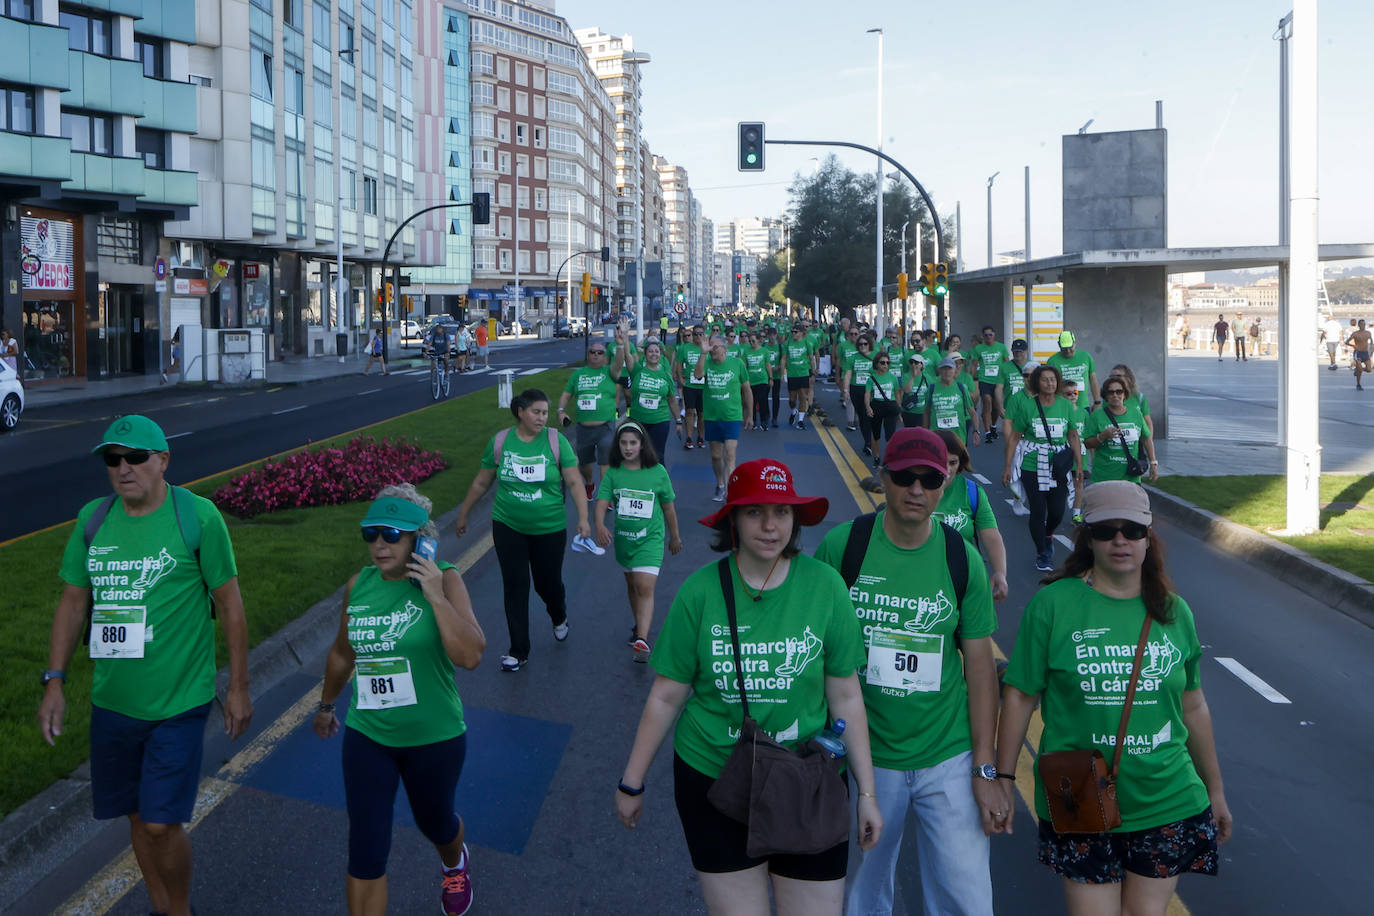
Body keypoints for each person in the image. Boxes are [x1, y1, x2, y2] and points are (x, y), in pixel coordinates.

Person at [615, 458, 883, 916]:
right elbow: (666, 694)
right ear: (733, 519)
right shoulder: (700, 592)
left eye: (781, 512)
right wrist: (632, 782)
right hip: (716, 778)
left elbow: (846, 696)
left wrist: (866, 794)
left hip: (807, 782)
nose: (769, 525)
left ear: (795, 519)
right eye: (754, 511)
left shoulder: (826, 587)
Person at [39, 415, 252, 916]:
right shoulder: (93, 519)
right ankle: (162, 907)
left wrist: (238, 686)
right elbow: (73, 604)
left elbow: (231, 606)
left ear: (163, 462)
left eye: (136, 458)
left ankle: (178, 908)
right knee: (136, 817)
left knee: (160, 822)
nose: (124, 469)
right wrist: (54, 681)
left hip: (179, 701)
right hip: (114, 703)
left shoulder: (197, 517)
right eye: (113, 459)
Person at [995, 482, 1233, 916]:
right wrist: (1004, 779)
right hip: (1079, 796)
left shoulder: (1174, 612)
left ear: (1148, 536)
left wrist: (1215, 790)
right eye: (1105, 530)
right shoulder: (1053, 605)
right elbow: (1019, 697)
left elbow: (1194, 706)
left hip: (1167, 796)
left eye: (1131, 530)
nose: (1119, 540)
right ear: (1087, 536)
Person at [813, 429, 1001, 916]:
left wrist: (985, 768)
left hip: (948, 753)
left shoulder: (963, 558)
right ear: (883, 478)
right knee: (864, 892)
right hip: (865, 754)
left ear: (945, 485)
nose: (916, 490)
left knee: (966, 897)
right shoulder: (843, 547)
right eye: (903, 477)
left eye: (929, 479)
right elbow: (815, 652)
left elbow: (981, 671)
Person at [314, 486, 485, 916]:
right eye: (370, 534)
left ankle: (454, 861)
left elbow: (471, 656)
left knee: (435, 822)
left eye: (392, 534)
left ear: (419, 540)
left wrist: (434, 595)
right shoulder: (360, 585)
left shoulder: (445, 579)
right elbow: (341, 652)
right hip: (369, 735)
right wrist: (326, 705)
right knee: (366, 846)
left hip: (435, 736)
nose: (379, 545)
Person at [454, 388, 589, 672]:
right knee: (515, 585)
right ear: (521, 412)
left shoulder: (556, 442)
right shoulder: (501, 442)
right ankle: (518, 650)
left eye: (545, 413)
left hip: (549, 527)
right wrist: (464, 513)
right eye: (536, 412)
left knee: (546, 583)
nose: (542, 418)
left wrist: (584, 518)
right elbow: (482, 482)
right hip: (508, 525)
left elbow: (575, 482)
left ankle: (558, 614)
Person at [593, 420, 683, 662]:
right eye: (624, 443)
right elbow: (601, 502)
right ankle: (638, 627)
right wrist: (600, 525)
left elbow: (669, 508)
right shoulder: (613, 472)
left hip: (650, 539)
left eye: (633, 443)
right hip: (624, 540)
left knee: (644, 586)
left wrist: (674, 536)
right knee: (633, 585)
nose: (628, 448)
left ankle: (642, 639)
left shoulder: (657, 472)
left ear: (643, 445)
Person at [1002, 364, 1083, 572]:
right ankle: (1042, 552)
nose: (1050, 383)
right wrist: (1008, 466)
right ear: (1037, 382)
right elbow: (1014, 438)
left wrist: (1079, 465)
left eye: (1053, 379)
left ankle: (1048, 533)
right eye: (1045, 379)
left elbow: (1073, 435)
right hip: (1032, 464)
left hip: (1058, 466)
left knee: (1057, 510)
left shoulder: (1065, 406)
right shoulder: (1028, 406)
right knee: (1038, 510)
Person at [931, 429, 1009, 601]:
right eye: (939, 461)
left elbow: (991, 536)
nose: (946, 469)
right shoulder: (913, 489)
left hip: (962, 582)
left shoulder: (972, 492)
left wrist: (1000, 573)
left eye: (953, 463)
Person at [558, 331, 624, 501]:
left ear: (604, 356)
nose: (596, 355)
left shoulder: (610, 372)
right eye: (592, 352)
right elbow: (566, 394)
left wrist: (621, 345)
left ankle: (605, 496)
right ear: (587, 355)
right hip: (583, 429)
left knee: (605, 462)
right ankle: (589, 483)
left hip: (605, 427)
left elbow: (619, 363)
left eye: (600, 352)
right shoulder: (578, 375)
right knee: (584, 464)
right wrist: (560, 411)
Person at [695, 335, 754, 501]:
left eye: (715, 347)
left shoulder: (737, 364)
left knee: (730, 454)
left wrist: (749, 414)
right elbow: (698, 375)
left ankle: (730, 491)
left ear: (724, 348)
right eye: (710, 346)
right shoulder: (706, 361)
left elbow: (747, 390)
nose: (712, 349)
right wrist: (703, 353)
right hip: (712, 417)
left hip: (732, 417)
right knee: (716, 456)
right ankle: (720, 484)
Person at [1085, 378, 1159, 484]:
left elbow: (1146, 438)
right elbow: (1087, 443)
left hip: (1131, 477)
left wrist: (1153, 463)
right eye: (1110, 392)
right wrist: (1102, 436)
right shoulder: (1097, 416)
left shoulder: (1136, 414)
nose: (1115, 395)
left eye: (1119, 391)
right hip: (1104, 478)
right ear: (1105, 396)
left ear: (1125, 394)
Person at [620, 336, 682, 460]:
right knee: (637, 456)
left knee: (657, 456)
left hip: (660, 421)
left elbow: (672, 400)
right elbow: (627, 355)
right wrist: (625, 335)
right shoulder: (637, 370)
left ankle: (659, 479)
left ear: (660, 354)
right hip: (638, 420)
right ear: (645, 354)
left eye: (656, 351)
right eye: (650, 351)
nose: (654, 354)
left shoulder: (665, 376)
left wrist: (678, 421)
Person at [969, 326, 1011, 444]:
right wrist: (970, 380)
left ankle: (993, 426)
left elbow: (1007, 363)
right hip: (984, 379)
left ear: (994, 335)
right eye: (986, 335)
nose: (988, 337)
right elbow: (974, 365)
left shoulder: (1001, 347)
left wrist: (1009, 377)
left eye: (990, 334)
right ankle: (987, 432)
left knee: (997, 406)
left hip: (998, 380)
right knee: (987, 401)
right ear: (983, 336)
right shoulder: (979, 349)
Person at [925, 357, 980, 447]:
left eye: (950, 368)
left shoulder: (961, 388)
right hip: (936, 436)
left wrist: (976, 431)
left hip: (958, 437)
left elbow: (972, 412)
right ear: (939, 370)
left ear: (955, 370)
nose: (947, 372)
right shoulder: (932, 388)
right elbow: (926, 412)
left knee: (959, 461)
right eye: (944, 368)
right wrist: (925, 432)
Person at [863, 349, 903, 469]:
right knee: (876, 435)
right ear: (876, 364)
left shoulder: (893, 378)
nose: (885, 365)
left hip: (890, 407)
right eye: (882, 363)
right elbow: (867, 394)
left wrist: (899, 411)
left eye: (887, 363)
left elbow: (897, 394)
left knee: (890, 435)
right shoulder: (872, 379)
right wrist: (868, 407)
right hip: (877, 407)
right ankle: (876, 457)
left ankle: (889, 459)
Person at [1046, 330, 1099, 412]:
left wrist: (1097, 402)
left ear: (1075, 343)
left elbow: (1093, 380)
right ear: (1059, 345)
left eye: (1070, 347)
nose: (1068, 351)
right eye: (1064, 348)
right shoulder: (1052, 361)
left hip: (1083, 405)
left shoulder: (1086, 357)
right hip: (1062, 406)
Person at [844, 334, 878, 453]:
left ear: (870, 344)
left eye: (865, 344)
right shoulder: (853, 358)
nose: (862, 346)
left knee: (871, 415)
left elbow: (881, 372)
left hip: (872, 390)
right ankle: (867, 442)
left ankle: (873, 440)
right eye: (860, 344)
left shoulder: (876, 356)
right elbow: (848, 374)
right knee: (863, 416)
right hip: (856, 389)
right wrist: (845, 390)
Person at [675, 325, 707, 449]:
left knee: (701, 414)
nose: (698, 336)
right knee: (689, 411)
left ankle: (700, 437)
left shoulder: (706, 348)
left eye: (701, 334)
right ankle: (689, 438)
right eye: (696, 334)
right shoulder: (685, 348)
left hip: (703, 386)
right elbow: (679, 363)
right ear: (692, 336)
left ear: (704, 335)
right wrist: (680, 378)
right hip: (690, 384)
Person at [783, 324, 817, 429]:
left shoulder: (806, 343)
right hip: (792, 374)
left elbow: (811, 358)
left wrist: (813, 372)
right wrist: (783, 373)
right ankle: (794, 411)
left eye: (796, 332)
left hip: (803, 373)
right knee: (792, 399)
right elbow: (784, 358)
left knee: (803, 396)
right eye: (792, 332)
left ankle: (800, 420)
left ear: (802, 333)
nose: (793, 334)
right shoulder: (788, 343)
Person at [1107, 363, 1155, 436]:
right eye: (1112, 376)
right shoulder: (1109, 398)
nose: (1115, 378)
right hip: (1115, 438)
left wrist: (1149, 441)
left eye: (1118, 376)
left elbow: (1147, 422)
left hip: (1136, 440)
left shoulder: (1139, 398)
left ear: (1128, 378)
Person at [743, 330, 777, 430]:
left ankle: (764, 421)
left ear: (758, 340)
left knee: (763, 401)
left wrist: (771, 378)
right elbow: (745, 366)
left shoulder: (764, 351)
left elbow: (767, 365)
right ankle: (752, 421)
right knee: (751, 401)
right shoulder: (747, 351)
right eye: (750, 341)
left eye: (753, 341)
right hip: (750, 380)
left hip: (762, 379)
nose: (751, 343)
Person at [899, 352, 931, 429]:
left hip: (922, 412)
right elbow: (907, 390)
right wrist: (913, 376)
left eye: (916, 363)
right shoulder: (906, 376)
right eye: (911, 362)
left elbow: (930, 393)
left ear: (922, 365)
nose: (913, 365)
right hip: (909, 412)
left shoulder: (927, 378)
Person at [1346, 319, 1371, 391]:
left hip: (1365, 353)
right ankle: (1358, 384)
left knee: (1369, 370)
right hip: (1358, 352)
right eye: (1361, 324)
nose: (1363, 325)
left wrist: (1371, 348)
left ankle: (1357, 371)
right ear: (1359, 325)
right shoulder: (1355, 333)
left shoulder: (1368, 333)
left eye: (1364, 324)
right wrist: (1353, 346)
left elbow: (1371, 341)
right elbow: (1346, 342)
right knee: (1359, 369)